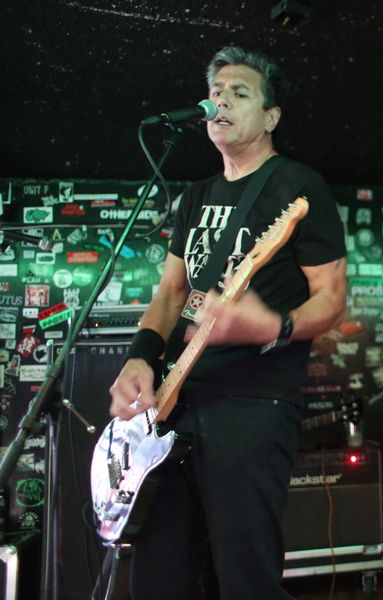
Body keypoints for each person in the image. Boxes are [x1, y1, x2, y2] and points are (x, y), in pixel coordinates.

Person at [107, 46, 347, 600]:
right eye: (215, 93)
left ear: (271, 116)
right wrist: (140, 356)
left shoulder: (299, 186)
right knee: (158, 574)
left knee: (244, 576)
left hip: (254, 403)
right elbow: (171, 293)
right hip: (174, 403)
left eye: (239, 93)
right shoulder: (195, 196)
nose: (221, 102)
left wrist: (271, 327)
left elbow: (332, 300)